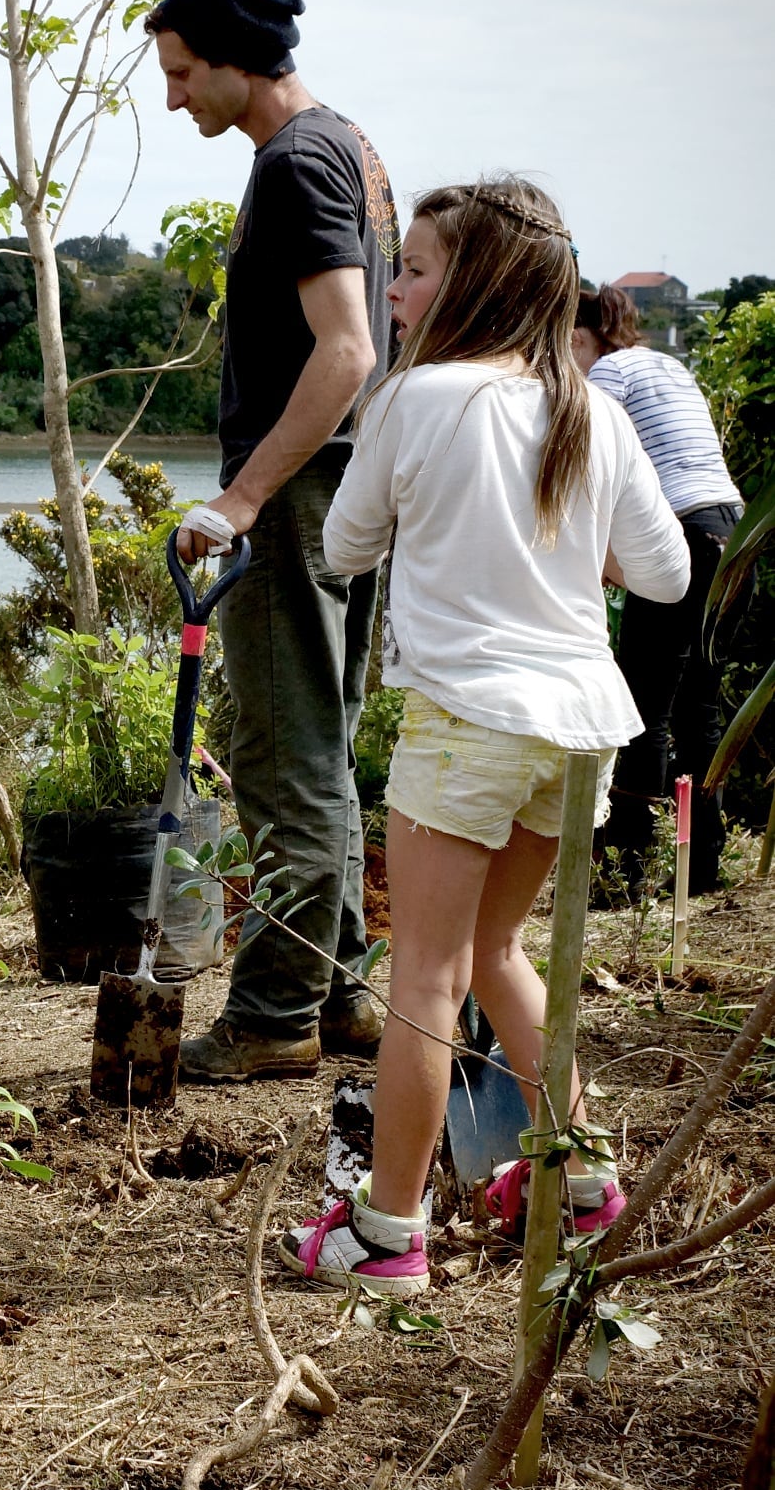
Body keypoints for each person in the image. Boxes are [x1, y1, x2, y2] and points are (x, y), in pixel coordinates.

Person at [279, 177, 686, 1295]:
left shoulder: (418, 399)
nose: (392, 289)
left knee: (424, 974)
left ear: (474, 283)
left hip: (468, 719)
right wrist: (564, 546)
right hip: (576, 729)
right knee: (499, 953)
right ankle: (582, 1181)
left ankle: (386, 1230)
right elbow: (665, 571)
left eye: (409, 268)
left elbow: (346, 546)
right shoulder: (589, 408)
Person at [150, 0, 400, 1082]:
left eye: (183, 70)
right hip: (348, 481)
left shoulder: (297, 161)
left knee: (285, 750)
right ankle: (337, 985)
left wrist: (244, 495)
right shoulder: (345, 142)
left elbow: (345, 349)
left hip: (300, 487)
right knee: (325, 746)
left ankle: (271, 1013)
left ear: (238, 61)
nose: (171, 95)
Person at [575, 284, 747, 902]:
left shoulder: (608, 374)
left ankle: (624, 871)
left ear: (577, 338)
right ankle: (701, 868)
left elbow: (584, 456)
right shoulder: (668, 365)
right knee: (699, 703)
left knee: (642, 700)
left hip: (684, 535)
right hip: (733, 529)